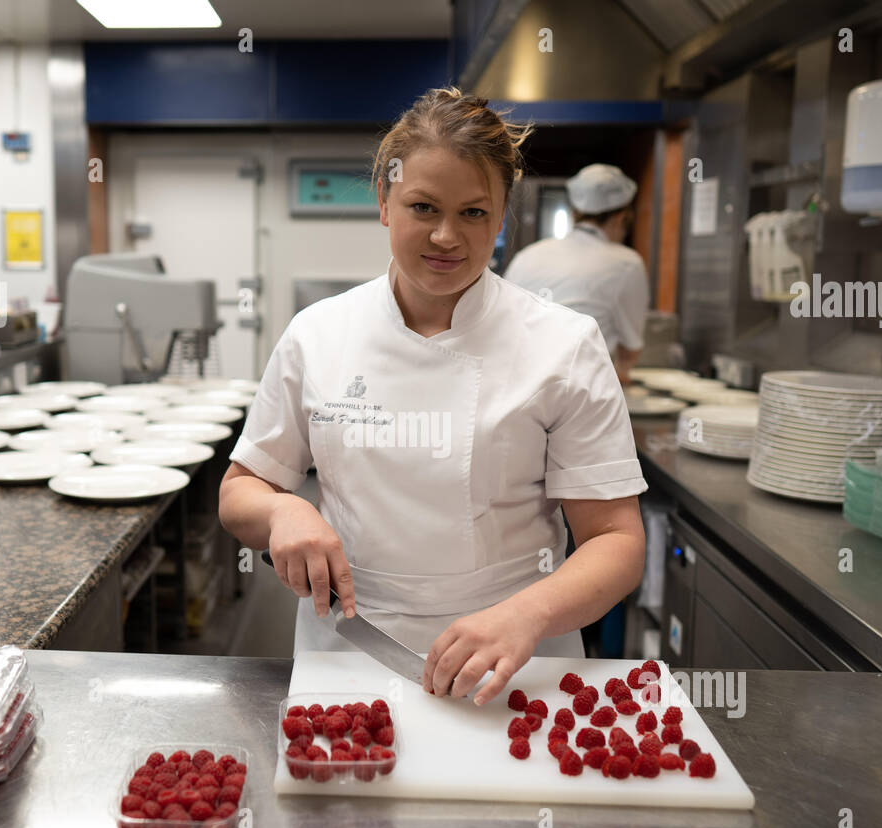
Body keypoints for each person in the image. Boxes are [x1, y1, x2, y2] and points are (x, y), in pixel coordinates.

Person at [219, 88, 646, 705]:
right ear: (385, 204)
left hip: (515, 671)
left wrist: (526, 615)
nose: (447, 236)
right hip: (350, 649)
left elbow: (617, 541)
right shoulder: (319, 333)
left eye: (474, 213)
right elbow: (240, 492)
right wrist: (285, 512)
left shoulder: (564, 344)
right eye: (423, 206)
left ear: (502, 218)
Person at [503, 163, 649, 384]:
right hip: (581, 388)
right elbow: (630, 350)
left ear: (574, 212)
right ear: (621, 217)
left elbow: (501, 325)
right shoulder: (627, 263)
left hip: (516, 383)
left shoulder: (527, 255)